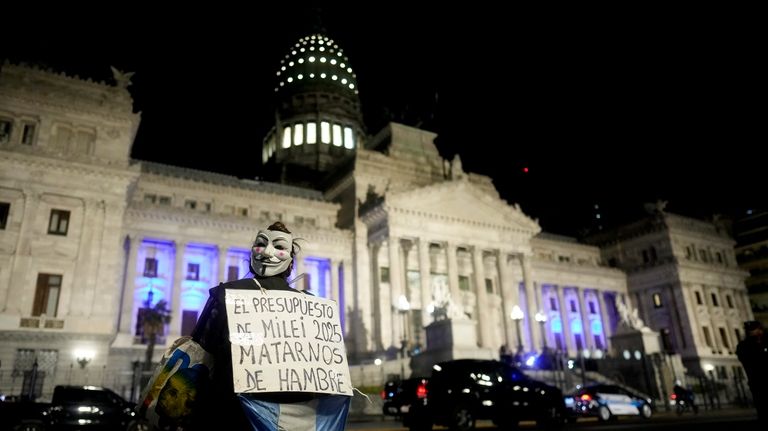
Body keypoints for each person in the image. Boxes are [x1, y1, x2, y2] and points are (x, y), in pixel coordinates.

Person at [191, 221, 351, 430]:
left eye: (279, 247)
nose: (267, 252)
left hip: (232, 415)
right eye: (262, 244)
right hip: (294, 420)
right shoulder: (311, 307)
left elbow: (198, 355)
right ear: (292, 266)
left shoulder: (225, 295)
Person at [736, 320, 768, 425]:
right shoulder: (745, 346)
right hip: (757, 380)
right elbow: (747, 361)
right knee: (761, 404)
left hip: (756, 380)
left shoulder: (762, 342)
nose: (757, 332)